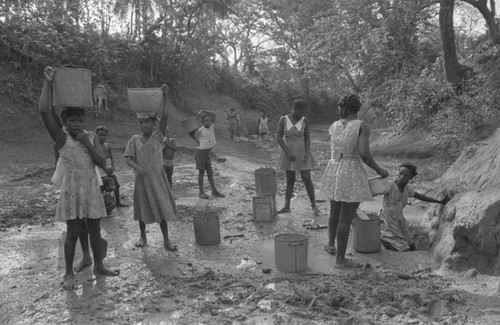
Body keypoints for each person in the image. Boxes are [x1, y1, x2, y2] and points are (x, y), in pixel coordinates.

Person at [39, 66, 119, 290]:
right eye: (72, 120)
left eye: (80, 119)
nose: (77, 123)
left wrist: (86, 141)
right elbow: (45, 112)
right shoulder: (61, 139)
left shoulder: (91, 137)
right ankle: (68, 273)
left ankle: (99, 265)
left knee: (95, 230)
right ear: (64, 121)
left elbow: (102, 162)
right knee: (73, 232)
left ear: (85, 120)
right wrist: (48, 83)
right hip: (72, 188)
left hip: (92, 188)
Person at [319, 94, 388, 268]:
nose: (337, 110)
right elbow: (364, 153)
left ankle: (330, 245)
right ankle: (341, 260)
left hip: (334, 170)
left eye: (339, 107)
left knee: (334, 213)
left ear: (345, 108)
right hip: (350, 172)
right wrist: (380, 170)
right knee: (345, 219)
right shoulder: (361, 127)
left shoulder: (334, 126)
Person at [124, 84, 178, 250]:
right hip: (142, 181)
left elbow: (166, 116)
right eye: (141, 122)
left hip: (157, 180)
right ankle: (142, 236)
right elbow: (127, 158)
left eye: (147, 122)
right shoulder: (134, 140)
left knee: (161, 208)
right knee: (141, 209)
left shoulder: (157, 137)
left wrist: (166, 97)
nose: (143, 125)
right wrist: (136, 167)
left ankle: (166, 240)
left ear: (154, 124)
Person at [380, 163, 448, 252]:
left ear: (411, 177)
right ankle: (382, 240)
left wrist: (439, 201)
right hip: (388, 221)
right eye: (400, 173)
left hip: (399, 221)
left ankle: (388, 243)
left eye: (406, 175)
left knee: (412, 247)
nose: (401, 177)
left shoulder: (408, 188)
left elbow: (420, 196)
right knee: (405, 250)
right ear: (397, 172)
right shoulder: (389, 185)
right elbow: (376, 190)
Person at [276, 99, 319, 215]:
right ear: (294, 109)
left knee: (307, 178)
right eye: (301, 111)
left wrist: (307, 152)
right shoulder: (283, 119)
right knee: (290, 180)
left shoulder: (305, 120)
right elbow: (278, 138)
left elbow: (307, 138)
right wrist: (287, 152)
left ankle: (314, 206)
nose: (302, 114)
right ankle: (286, 206)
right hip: (288, 152)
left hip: (302, 152)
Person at [189, 110, 225, 199]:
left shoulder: (212, 126)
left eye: (209, 120)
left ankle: (214, 190)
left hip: (207, 153)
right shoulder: (200, 130)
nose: (208, 122)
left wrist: (203, 111)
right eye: (206, 121)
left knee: (210, 173)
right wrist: (197, 141)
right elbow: (191, 134)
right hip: (201, 152)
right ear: (202, 122)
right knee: (201, 172)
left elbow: (214, 114)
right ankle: (201, 192)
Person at [95, 125, 128, 207]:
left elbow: (112, 157)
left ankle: (118, 202)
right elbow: (95, 159)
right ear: (96, 135)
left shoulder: (107, 145)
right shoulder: (94, 146)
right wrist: (104, 168)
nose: (102, 137)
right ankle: (102, 205)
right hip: (101, 168)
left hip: (109, 168)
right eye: (100, 135)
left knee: (116, 185)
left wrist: (113, 166)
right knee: (102, 186)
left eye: (104, 135)